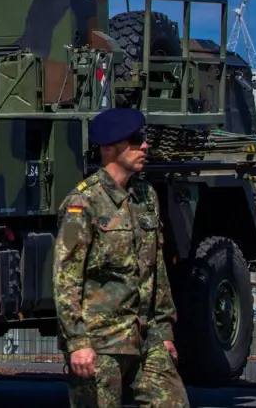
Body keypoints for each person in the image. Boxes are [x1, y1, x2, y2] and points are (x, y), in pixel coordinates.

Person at [55, 108, 188, 408]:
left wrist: (164, 330)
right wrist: (77, 342)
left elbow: (156, 269)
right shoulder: (83, 203)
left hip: (146, 336)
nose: (145, 146)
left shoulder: (146, 197)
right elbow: (66, 280)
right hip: (100, 341)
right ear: (110, 148)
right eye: (136, 140)